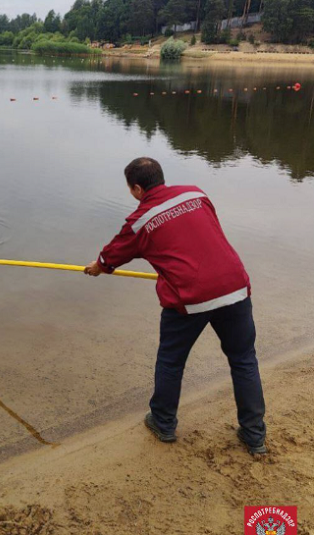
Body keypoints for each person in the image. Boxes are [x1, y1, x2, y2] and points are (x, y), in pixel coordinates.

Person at [84, 157, 267, 455]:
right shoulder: (196, 194)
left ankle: (163, 422)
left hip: (190, 298)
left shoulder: (139, 221)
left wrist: (98, 267)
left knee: (170, 361)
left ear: (137, 189)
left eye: (131, 189)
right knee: (244, 359)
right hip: (235, 286)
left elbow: (112, 255)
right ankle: (255, 435)